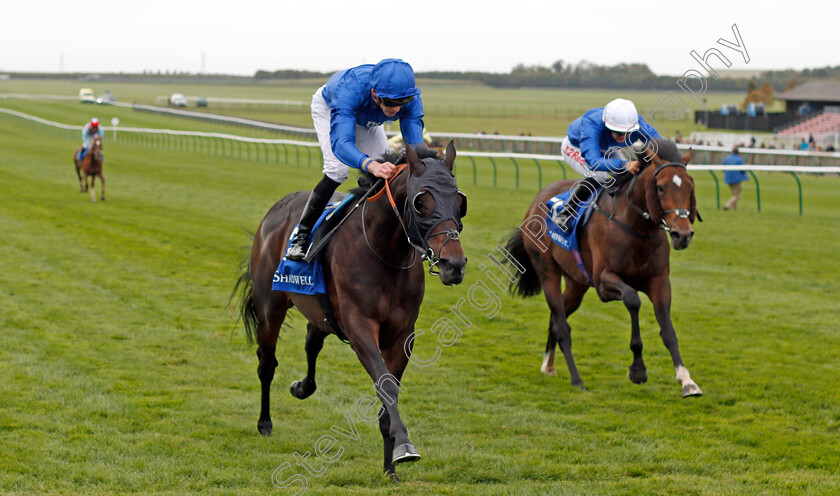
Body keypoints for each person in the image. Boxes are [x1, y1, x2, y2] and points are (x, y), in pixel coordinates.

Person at [285, 58, 424, 261]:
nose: (395, 109)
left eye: (401, 103)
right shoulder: (350, 89)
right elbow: (342, 143)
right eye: (389, 102)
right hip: (333, 108)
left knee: (394, 172)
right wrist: (371, 164)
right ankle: (302, 236)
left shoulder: (409, 97)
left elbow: (416, 149)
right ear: (375, 94)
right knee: (337, 171)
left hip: (369, 118)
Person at [552, 98, 661, 232]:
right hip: (577, 147)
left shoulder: (636, 122)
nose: (623, 137)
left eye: (627, 133)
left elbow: (658, 143)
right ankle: (565, 213)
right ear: (607, 125)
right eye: (618, 133)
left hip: (607, 148)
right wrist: (624, 164)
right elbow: (593, 161)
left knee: (627, 174)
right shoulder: (591, 124)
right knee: (600, 176)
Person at [723, 146, 748, 211]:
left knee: (734, 194)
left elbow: (723, 167)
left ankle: (735, 209)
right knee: (738, 195)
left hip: (728, 179)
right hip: (736, 179)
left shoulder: (727, 158)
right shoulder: (739, 159)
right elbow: (742, 169)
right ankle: (727, 205)